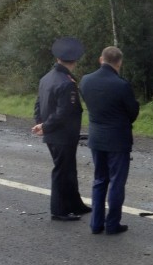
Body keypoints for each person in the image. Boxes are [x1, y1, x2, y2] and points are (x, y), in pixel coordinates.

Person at [79, 46, 140, 235]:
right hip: (118, 140)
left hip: (97, 137)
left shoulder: (85, 80)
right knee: (116, 182)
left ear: (101, 59)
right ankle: (112, 224)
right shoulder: (121, 85)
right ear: (119, 62)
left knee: (99, 180)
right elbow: (132, 112)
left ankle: (96, 223)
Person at [32, 37, 92, 221]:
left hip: (53, 133)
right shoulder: (66, 82)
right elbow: (63, 112)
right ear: (74, 60)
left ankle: (75, 204)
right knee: (62, 171)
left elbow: (38, 104)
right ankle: (59, 211)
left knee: (69, 169)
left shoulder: (46, 78)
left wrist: (40, 124)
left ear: (58, 58)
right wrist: (46, 126)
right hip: (62, 134)